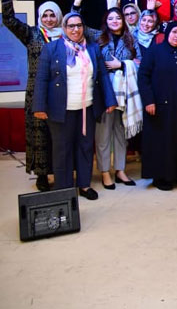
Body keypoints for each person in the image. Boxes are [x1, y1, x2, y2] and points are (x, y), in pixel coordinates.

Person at [32, 12, 116, 200]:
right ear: (64, 28)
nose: (76, 30)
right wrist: (39, 106)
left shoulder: (92, 49)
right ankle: (64, 188)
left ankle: (84, 185)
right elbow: (42, 78)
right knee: (62, 149)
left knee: (85, 147)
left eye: (79, 25)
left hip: (87, 107)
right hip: (61, 111)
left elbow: (102, 75)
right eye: (71, 26)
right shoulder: (52, 49)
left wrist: (110, 101)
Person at [1, 0, 63, 191]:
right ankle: (42, 175)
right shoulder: (32, 34)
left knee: (60, 134)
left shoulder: (66, 35)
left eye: (52, 15)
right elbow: (8, 20)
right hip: (37, 93)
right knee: (39, 135)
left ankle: (62, 173)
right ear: (40, 17)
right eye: (44, 15)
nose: (48, 18)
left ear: (58, 16)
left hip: (62, 93)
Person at [138, 21, 177, 190]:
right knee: (162, 142)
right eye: (174, 32)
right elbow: (143, 76)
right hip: (158, 106)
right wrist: (148, 100)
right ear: (167, 33)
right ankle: (161, 177)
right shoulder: (154, 51)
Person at [94, 8, 142, 190]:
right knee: (103, 134)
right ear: (106, 21)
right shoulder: (98, 39)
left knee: (121, 133)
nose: (114, 21)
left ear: (123, 20)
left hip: (126, 91)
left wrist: (122, 64)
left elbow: (141, 62)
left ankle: (120, 170)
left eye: (118, 18)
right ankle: (105, 171)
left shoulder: (131, 39)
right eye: (111, 18)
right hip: (104, 89)